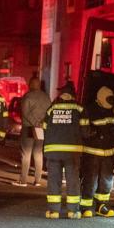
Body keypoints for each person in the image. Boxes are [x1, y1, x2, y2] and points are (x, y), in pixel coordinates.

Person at [42, 81, 89, 219]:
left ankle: (53, 211)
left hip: (53, 150)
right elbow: (85, 131)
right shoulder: (79, 108)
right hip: (72, 151)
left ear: (61, 94)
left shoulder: (52, 108)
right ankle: (73, 211)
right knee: (72, 180)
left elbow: (45, 127)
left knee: (54, 180)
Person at [80, 85, 114, 218]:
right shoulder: (89, 110)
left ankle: (101, 206)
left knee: (106, 181)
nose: (110, 102)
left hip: (109, 153)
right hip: (92, 152)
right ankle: (86, 207)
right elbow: (84, 130)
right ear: (100, 98)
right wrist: (94, 133)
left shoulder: (113, 110)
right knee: (90, 180)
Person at [14, 77, 50, 187]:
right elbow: (49, 113)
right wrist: (40, 123)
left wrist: (34, 123)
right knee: (38, 153)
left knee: (26, 154)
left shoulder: (27, 96)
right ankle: (37, 180)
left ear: (31, 85)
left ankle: (23, 180)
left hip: (29, 127)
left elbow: (25, 113)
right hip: (41, 128)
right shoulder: (46, 97)